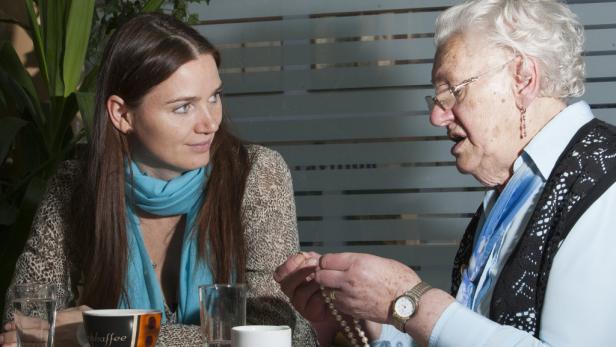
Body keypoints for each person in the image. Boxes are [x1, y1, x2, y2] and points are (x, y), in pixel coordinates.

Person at [275, 0, 616, 346]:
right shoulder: (516, 190)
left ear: (523, 79)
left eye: (451, 91)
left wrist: (407, 301)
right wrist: (365, 317)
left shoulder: (606, 183)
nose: (437, 117)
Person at [1, 13, 316, 347]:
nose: (210, 123)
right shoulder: (73, 187)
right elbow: (22, 325)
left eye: (214, 97)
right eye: (184, 108)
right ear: (122, 114)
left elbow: (274, 329)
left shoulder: (255, 173)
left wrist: (101, 333)